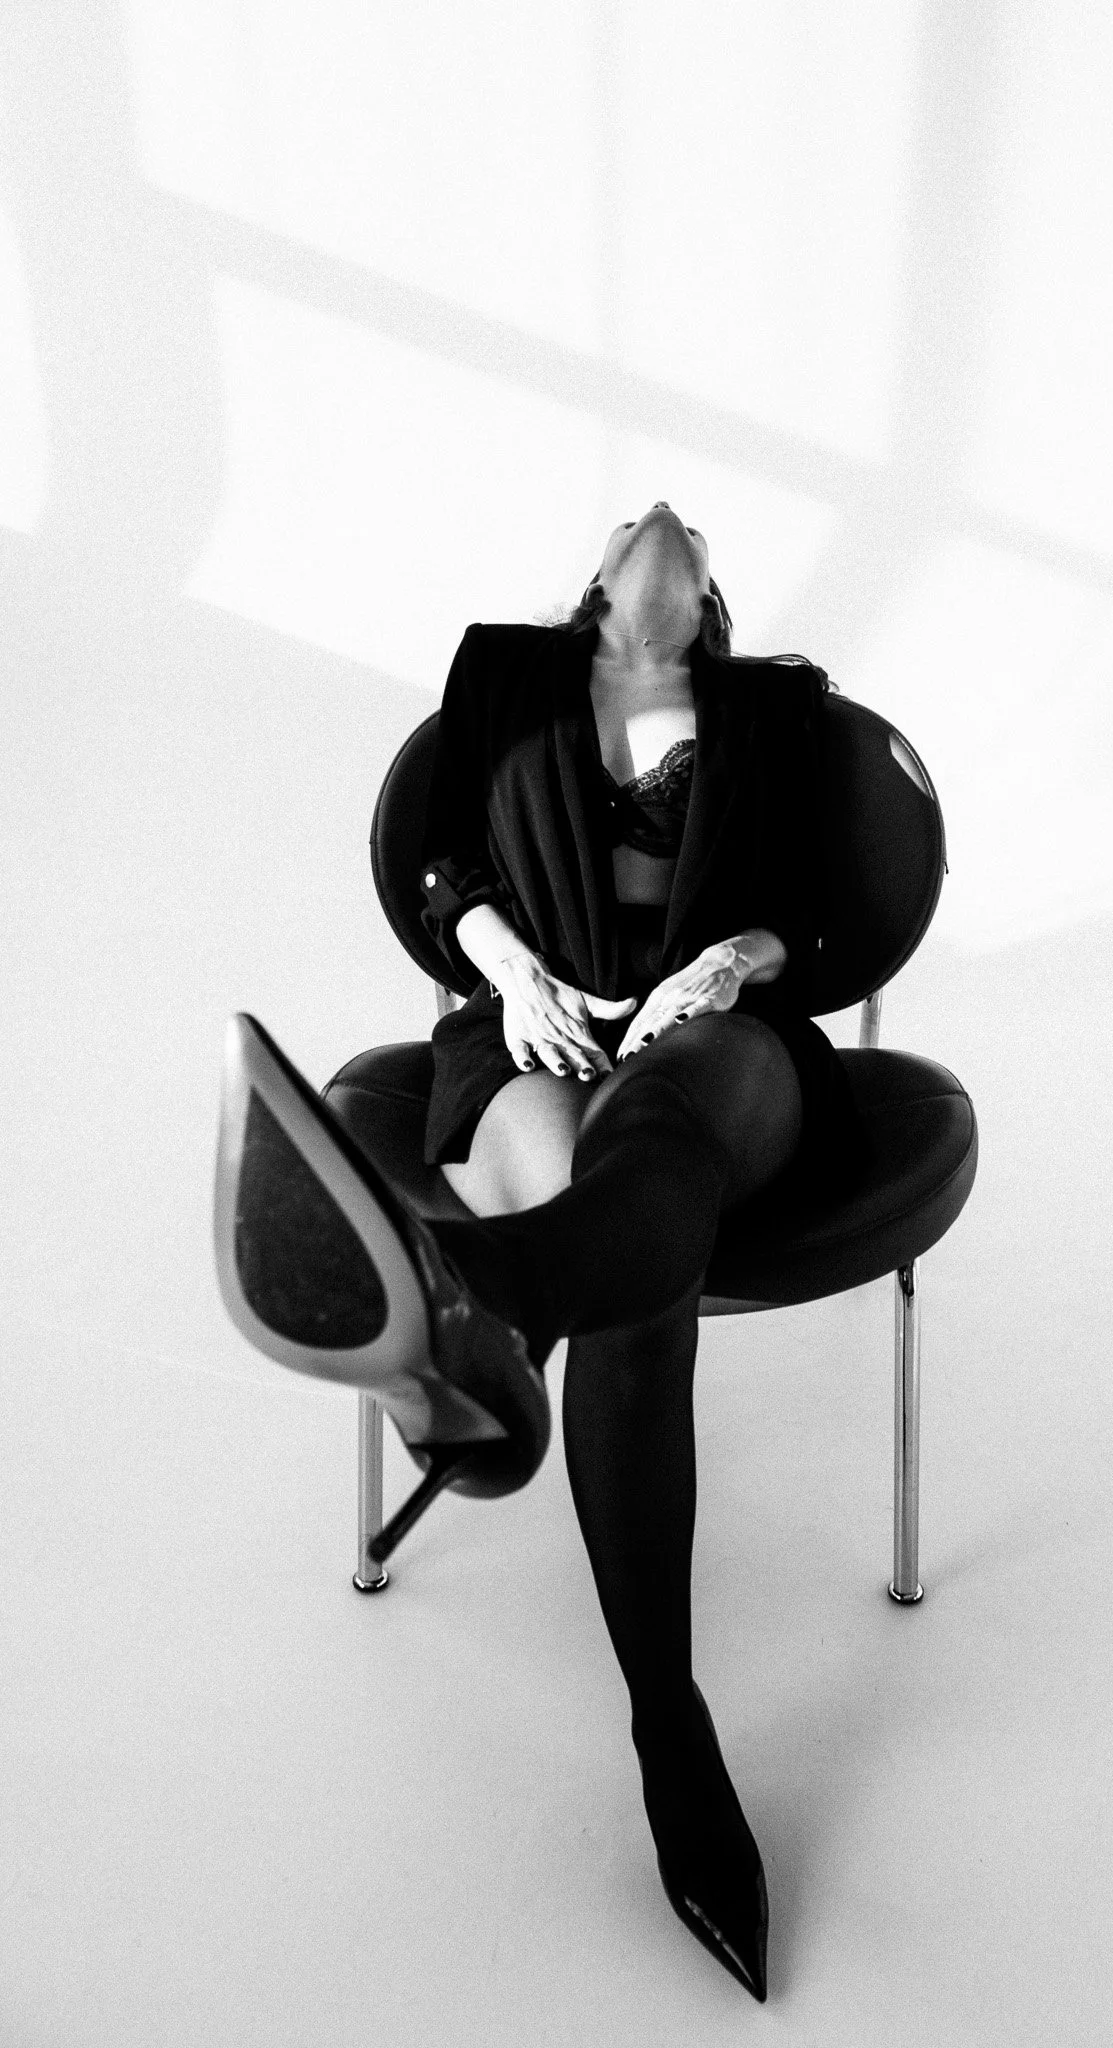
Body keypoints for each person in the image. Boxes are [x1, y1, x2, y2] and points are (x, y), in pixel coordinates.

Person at [215, 501, 874, 2002]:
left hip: (723, 1050)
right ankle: (670, 1727)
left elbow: (823, 911)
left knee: (660, 1146)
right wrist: (507, 969)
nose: (665, 516)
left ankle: (480, 1309)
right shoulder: (503, 673)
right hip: (532, 1037)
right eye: (638, 521)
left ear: (706, 594)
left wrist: (732, 961)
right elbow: (442, 862)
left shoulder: (776, 704)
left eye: (691, 531)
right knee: (634, 1269)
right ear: (601, 577)